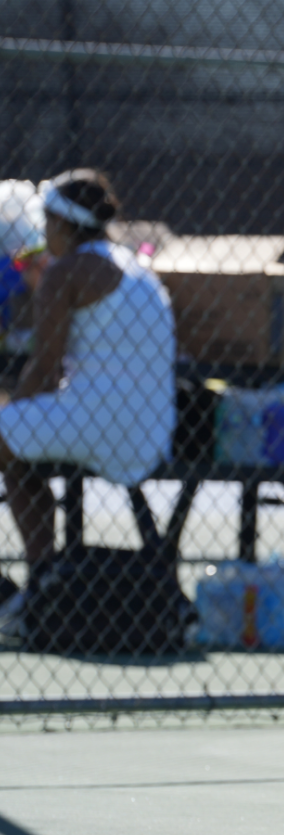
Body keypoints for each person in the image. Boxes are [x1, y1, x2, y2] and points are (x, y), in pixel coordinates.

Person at [0, 171, 176, 572]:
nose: (44, 234)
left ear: (62, 224)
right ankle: (47, 582)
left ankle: (42, 576)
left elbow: (44, 372)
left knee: (6, 443)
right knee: (15, 445)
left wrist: (9, 416)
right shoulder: (136, 264)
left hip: (98, 425)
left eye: (47, 223)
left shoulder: (64, 273)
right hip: (152, 430)